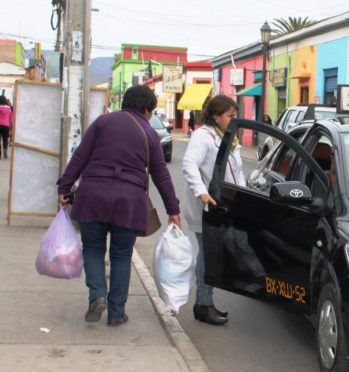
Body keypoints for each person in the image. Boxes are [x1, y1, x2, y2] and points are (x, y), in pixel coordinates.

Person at [57, 85, 181, 326]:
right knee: (121, 255)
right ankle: (116, 313)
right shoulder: (149, 133)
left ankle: (97, 295)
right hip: (128, 201)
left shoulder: (102, 122)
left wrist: (64, 188)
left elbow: (79, 157)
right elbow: (161, 175)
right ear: (146, 110)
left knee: (92, 247)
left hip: (92, 197)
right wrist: (172, 209)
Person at [182, 95, 245, 325]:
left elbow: (237, 170)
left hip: (221, 205)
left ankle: (204, 303)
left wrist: (243, 195)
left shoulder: (228, 137)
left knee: (211, 254)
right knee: (209, 255)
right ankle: (203, 304)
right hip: (206, 206)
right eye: (230, 116)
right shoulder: (203, 136)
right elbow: (189, 164)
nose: (233, 120)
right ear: (216, 116)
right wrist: (202, 193)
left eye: (235, 115)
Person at [0, 95, 12, 160]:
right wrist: (11, 127)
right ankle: (5, 152)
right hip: (6, 126)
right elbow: (10, 119)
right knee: (5, 139)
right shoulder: (8, 109)